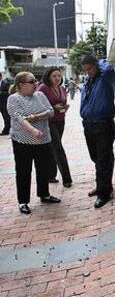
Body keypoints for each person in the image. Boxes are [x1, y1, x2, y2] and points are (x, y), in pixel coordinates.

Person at [7, 71, 61, 214]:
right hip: (22, 141)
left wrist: (37, 116)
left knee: (43, 169)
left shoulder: (40, 95)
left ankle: (44, 194)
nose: (35, 84)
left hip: (43, 140)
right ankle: (23, 201)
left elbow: (50, 112)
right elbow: (20, 118)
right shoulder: (13, 99)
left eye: (35, 81)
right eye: (31, 82)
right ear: (21, 85)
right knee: (23, 171)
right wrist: (33, 131)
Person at [80, 55, 115, 208]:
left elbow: (110, 69)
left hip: (103, 125)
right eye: (85, 69)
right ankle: (103, 184)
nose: (87, 72)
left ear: (96, 65)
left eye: (90, 68)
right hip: (89, 125)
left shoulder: (105, 78)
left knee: (103, 159)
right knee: (96, 157)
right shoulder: (89, 81)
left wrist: (99, 62)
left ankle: (104, 193)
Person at [38, 67, 72, 188]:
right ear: (48, 77)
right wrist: (53, 107)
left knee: (54, 148)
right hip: (49, 122)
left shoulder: (62, 88)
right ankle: (67, 179)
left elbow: (62, 104)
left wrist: (64, 107)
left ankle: (50, 175)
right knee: (58, 148)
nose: (57, 78)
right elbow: (39, 106)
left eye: (59, 75)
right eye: (54, 76)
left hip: (61, 121)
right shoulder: (43, 88)